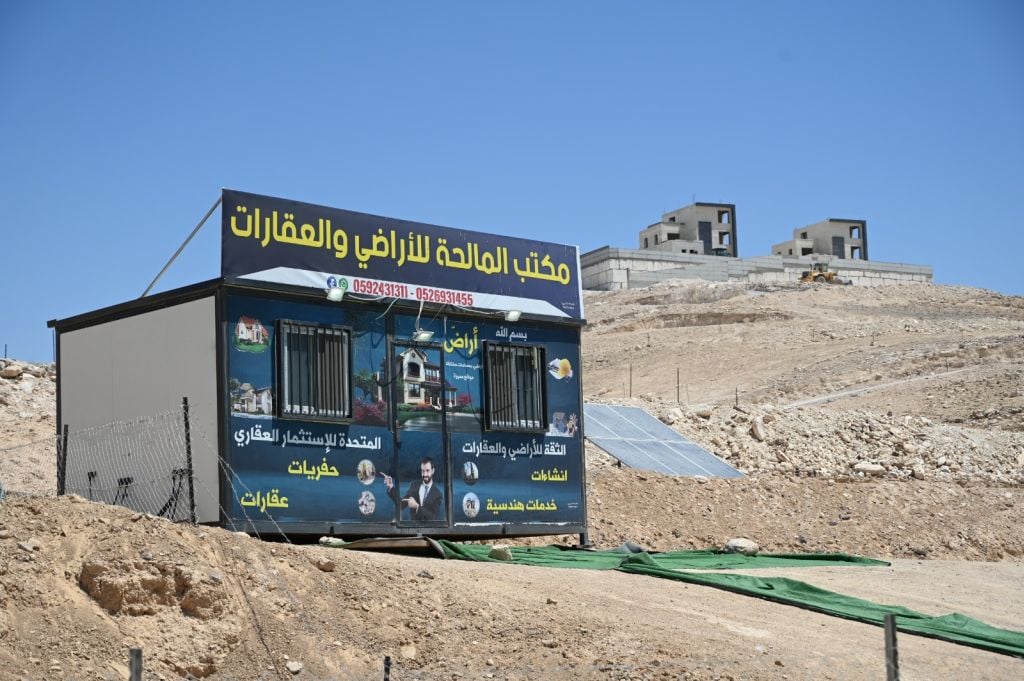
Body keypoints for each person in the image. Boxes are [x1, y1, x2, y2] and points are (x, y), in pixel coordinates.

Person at [383, 457, 443, 521]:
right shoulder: (414, 485)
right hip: (412, 529)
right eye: (423, 471)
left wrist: (417, 506)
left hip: (428, 530)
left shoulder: (438, 494)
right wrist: (391, 487)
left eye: (427, 471)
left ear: (433, 471)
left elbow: (433, 518)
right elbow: (401, 504)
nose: (425, 474)